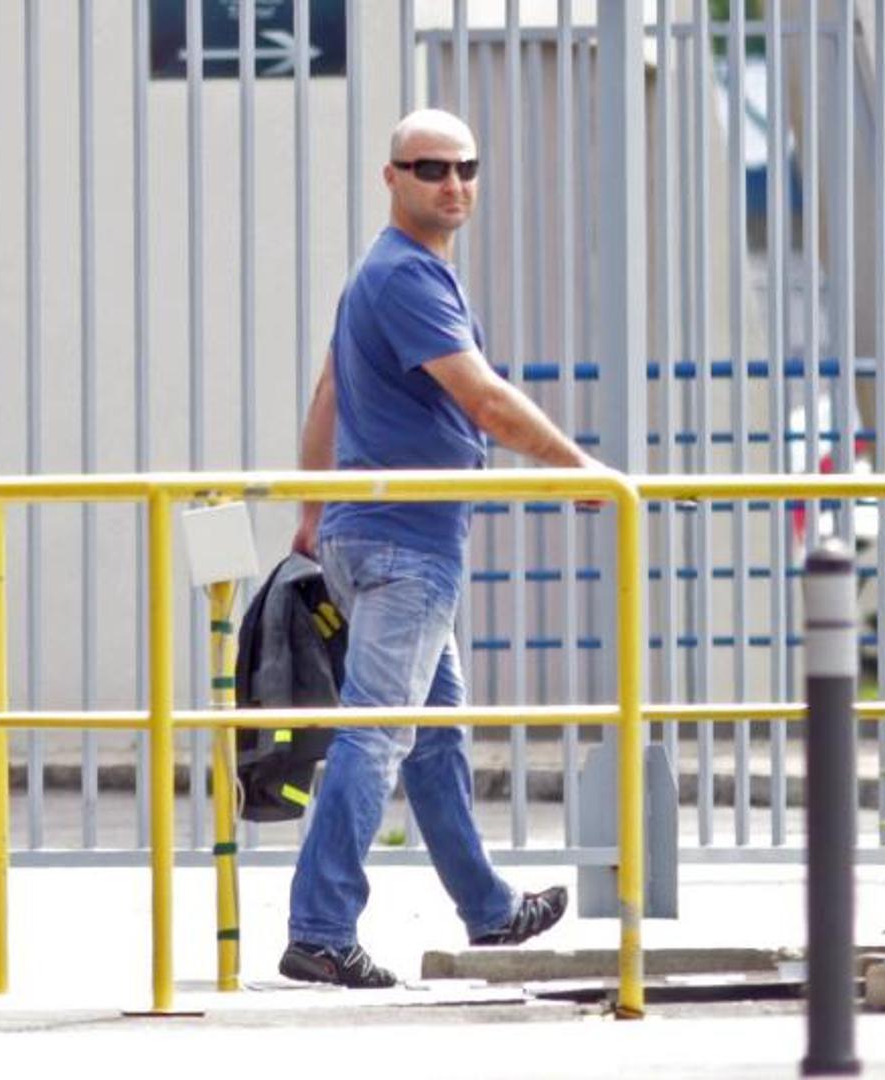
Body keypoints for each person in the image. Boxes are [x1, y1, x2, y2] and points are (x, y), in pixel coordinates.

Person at [280, 109, 610, 988]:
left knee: (433, 737)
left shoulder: (387, 274)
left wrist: (312, 510)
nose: (451, 183)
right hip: (404, 543)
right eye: (428, 168)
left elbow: (327, 391)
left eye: (465, 167)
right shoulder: (405, 277)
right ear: (391, 178)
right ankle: (319, 928)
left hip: (376, 533)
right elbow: (484, 401)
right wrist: (579, 469)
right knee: (378, 733)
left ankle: (487, 908)